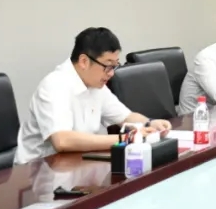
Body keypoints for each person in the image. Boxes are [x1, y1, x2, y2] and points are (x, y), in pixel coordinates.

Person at [15, 28, 173, 164]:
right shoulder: (54, 85)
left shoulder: (96, 84)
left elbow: (125, 117)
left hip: (78, 162)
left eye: (114, 66)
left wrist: (150, 123)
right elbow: (62, 140)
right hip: (37, 171)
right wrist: (125, 139)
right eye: (108, 66)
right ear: (84, 61)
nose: (111, 73)